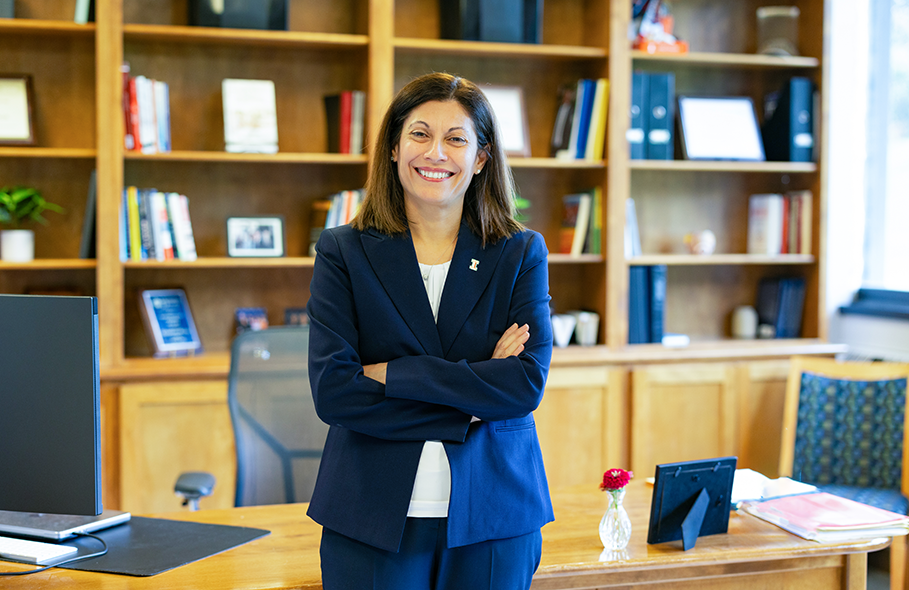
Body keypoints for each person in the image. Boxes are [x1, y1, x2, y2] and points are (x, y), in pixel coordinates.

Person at [306, 72, 554, 590]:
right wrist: (475, 390)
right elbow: (334, 394)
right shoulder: (342, 252)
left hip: (495, 511)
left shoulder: (520, 252)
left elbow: (524, 386)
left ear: (481, 158)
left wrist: (392, 374)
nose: (435, 153)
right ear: (394, 147)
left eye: (456, 139)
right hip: (370, 513)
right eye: (420, 134)